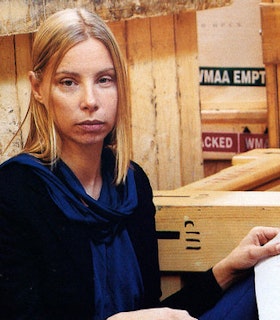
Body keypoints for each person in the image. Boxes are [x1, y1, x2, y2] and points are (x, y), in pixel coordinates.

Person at [0, 8, 279, 320]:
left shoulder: (131, 183)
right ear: (37, 88)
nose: (90, 100)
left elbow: (154, 311)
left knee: (259, 279)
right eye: (68, 82)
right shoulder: (13, 192)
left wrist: (228, 268)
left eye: (104, 80)